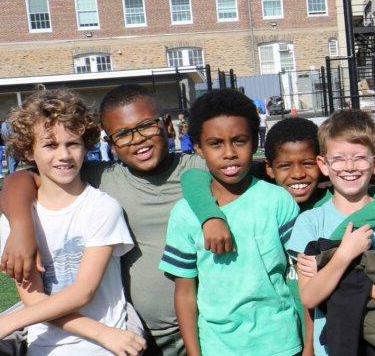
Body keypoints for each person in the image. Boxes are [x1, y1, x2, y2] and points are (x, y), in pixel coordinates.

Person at [0, 84, 217, 356]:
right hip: (110, 334)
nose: (137, 139)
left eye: (146, 126)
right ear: (110, 145)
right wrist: (21, 228)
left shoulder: (195, 171)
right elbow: (21, 178)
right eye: (123, 134)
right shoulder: (104, 176)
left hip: (189, 326)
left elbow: (242, 165)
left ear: (167, 126)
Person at [0, 88, 146, 355]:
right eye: (50, 145)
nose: (64, 155)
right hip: (45, 345)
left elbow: (82, 293)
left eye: (73, 143)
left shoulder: (102, 207)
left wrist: (7, 322)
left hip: (108, 343)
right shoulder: (11, 223)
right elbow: (33, 298)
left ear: (86, 145)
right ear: (29, 151)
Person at [159, 89, 301, 356]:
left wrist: (308, 347)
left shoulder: (277, 201)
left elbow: (299, 276)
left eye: (239, 141)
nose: (229, 153)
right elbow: (185, 293)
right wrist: (194, 352)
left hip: (280, 342)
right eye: (215, 144)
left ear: (254, 140)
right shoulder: (185, 214)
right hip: (217, 347)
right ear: (198, 147)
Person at [287, 109, 375, 356]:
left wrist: (332, 277)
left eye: (360, 157)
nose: (349, 167)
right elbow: (309, 296)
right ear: (323, 165)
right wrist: (343, 256)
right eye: (338, 158)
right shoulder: (309, 223)